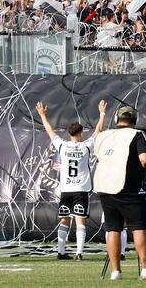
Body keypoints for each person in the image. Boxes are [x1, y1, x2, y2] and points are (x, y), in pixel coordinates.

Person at [93, 105, 146, 281]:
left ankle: (116, 271)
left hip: (104, 186)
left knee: (113, 228)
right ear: (134, 120)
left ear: (117, 119)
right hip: (128, 187)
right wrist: (143, 171)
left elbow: (98, 154)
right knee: (138, 227)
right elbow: (145, 159)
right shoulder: (136, 135)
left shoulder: (104, 135)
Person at [36, 99, 106, 260]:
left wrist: (42, 115)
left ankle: (61, 252)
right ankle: (79, 253)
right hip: (80, 190)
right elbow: (99, 130)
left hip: (66, 190)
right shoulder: (86, 146)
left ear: (69, 133)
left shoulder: (63, 145)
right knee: (80, 223)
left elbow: (49, 131)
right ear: (80, 133)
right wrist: (102, 113)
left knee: (64, 221)